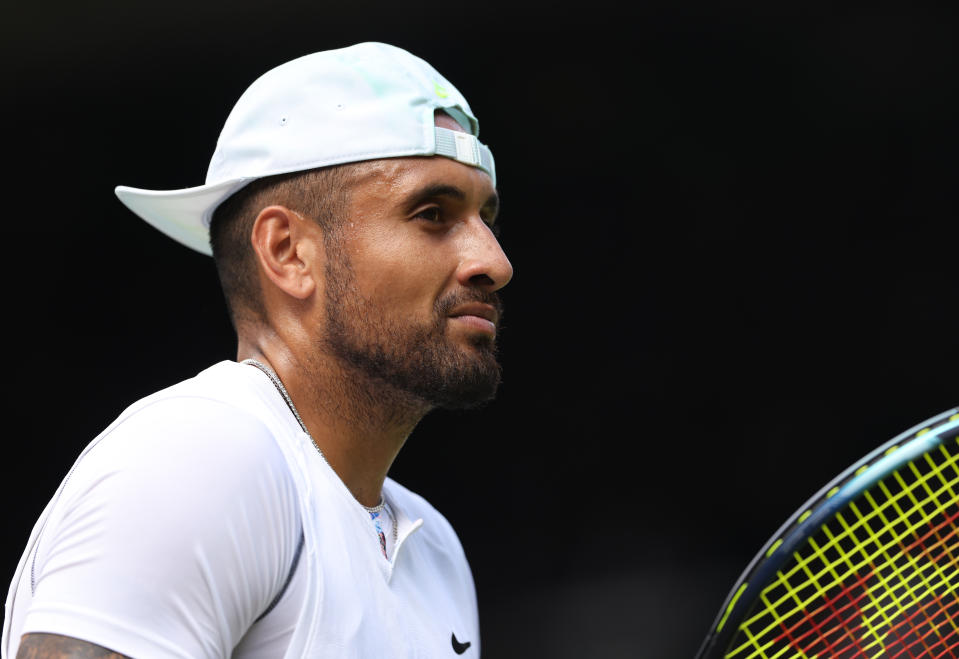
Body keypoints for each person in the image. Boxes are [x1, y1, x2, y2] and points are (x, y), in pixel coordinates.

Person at [2, 42, 511, 658]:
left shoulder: (434, 551)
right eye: (432, 214)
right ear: (288, 253)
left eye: (487, 218)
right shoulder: (207, 461)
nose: (494, 262)